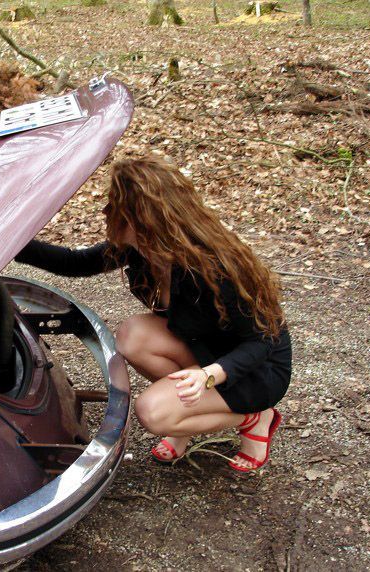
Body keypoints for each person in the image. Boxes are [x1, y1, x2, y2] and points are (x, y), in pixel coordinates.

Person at [15, 157, 292, 472]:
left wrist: (209, 375)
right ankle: (190, 411)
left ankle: (255, 416)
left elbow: (263, 339)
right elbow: (72, 263)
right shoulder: (140, 249)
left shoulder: (214, 267)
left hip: (254, 368)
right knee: (132, 336)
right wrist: (7, 242)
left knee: (152, 413)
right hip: (204, 348)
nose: (105, 212)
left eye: (113, 205)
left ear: (139, 217)